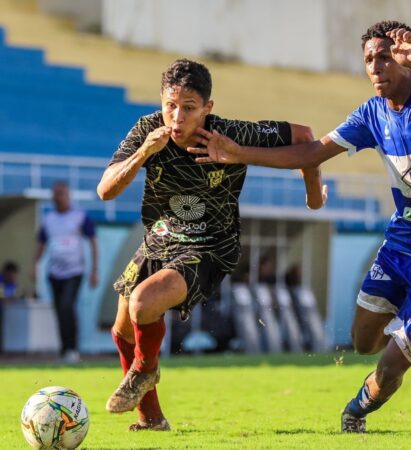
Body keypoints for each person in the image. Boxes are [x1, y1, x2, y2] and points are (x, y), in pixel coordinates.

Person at [189, 20, 411, 433]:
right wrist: (238, 154)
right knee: (363, 342)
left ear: (407, 58)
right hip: (402, 246)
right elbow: (312, 152)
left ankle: (353, 413)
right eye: (369, 59)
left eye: (385, 56)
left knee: (389, 368)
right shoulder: (371, 115)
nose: (375, 66)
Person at [96, 58, 327, 431]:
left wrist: (314, 195)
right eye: (170, 106)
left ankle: (144, 371)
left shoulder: (229, 133)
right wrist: (143, 155)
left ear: (208, 108)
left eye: (189, 108)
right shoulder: (147, 129)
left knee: (143, 303)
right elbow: (105, 191)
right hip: (159, 240)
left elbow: (306, 138)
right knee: (122, 330)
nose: (177, 117)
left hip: (209, 246)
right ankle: (151, 419)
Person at [33, 181, 99, 363]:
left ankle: (73, 349)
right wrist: (34, 266)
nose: (57, 197)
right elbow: (41, 244)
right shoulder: (48, 219)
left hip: (74, 270)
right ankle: (64, 350)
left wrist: (95, 270)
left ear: (68, 195)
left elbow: (93, 240)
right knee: (59, 311)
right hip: (54, 272)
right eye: (55, 194)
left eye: (61, 193)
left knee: (67, 307)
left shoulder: (79, 216)